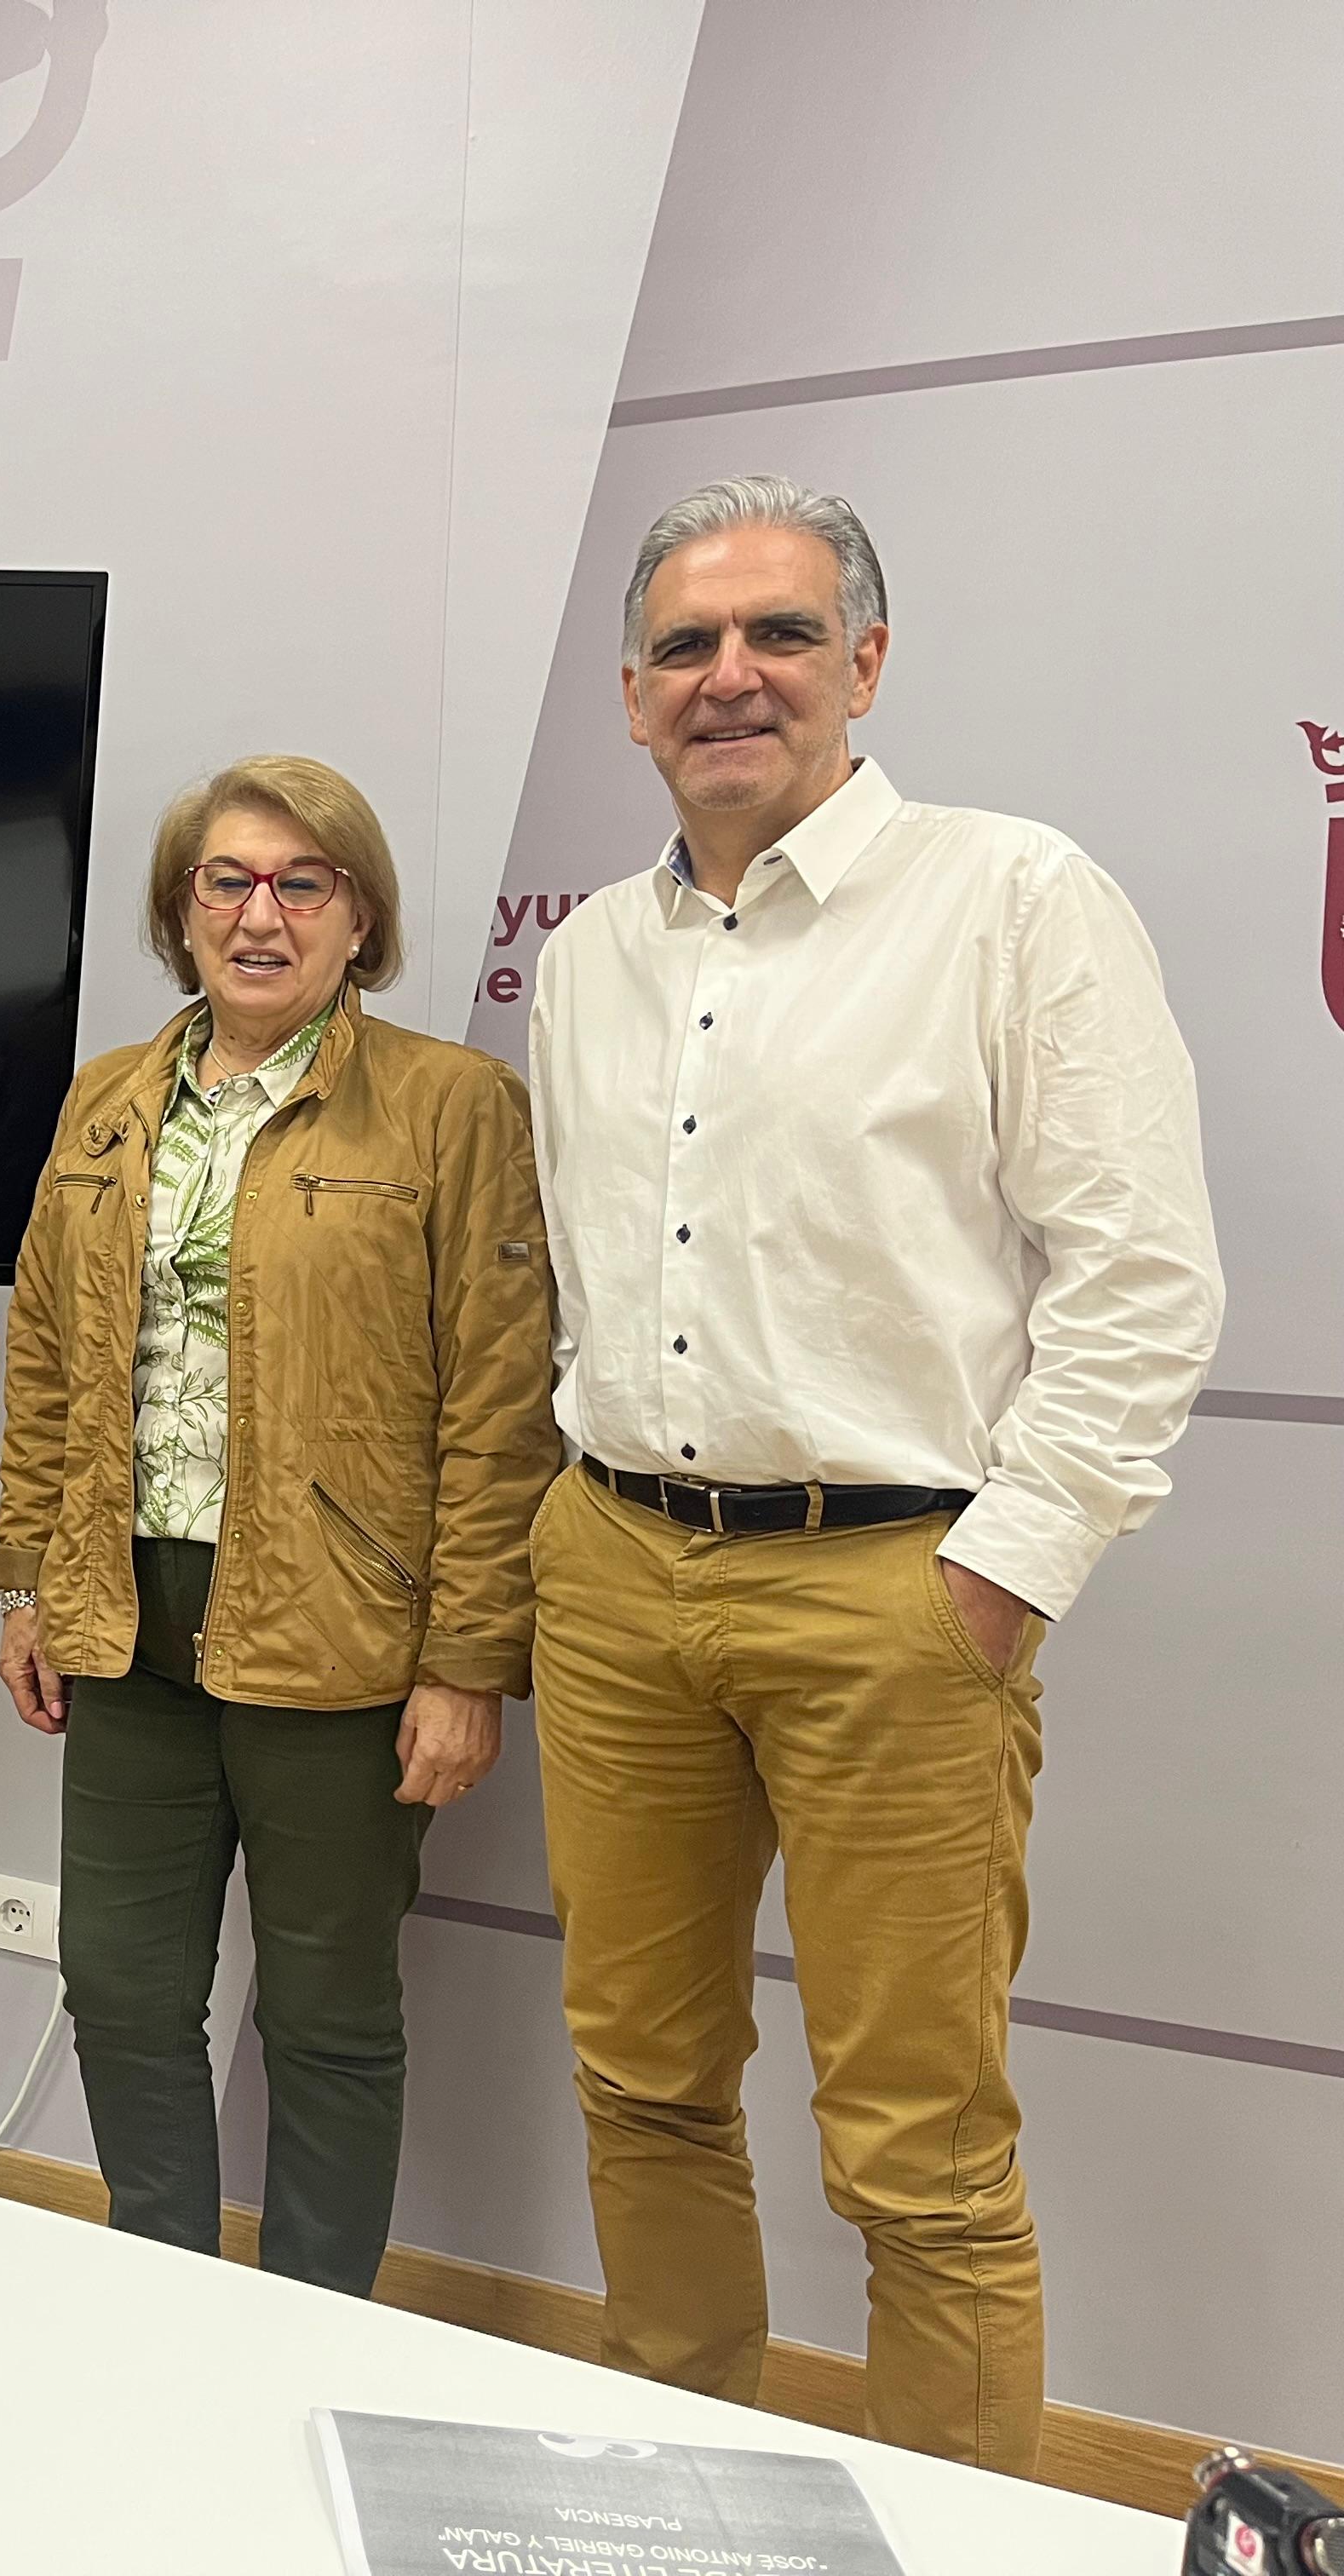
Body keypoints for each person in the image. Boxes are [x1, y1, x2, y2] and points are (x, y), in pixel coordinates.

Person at [526, 476, 1223, 2471]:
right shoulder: (587, 959)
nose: (730, 677)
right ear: (633, 700)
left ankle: (963, 2534)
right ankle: (681, 2491)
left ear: (867, 666)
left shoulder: (1015, 902)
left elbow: (1144, 1278)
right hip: (617, 1577)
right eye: (684, 647)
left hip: (897, 1595)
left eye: (780, 637)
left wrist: (1008, 1568)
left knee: (917, 2151)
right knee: (641, 2081)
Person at [0, 756, 557, 2294]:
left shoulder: (450, 1106)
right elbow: (47, 1353)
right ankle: (162, 2305)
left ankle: (311, 2335)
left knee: (324, 2014)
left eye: (302, 884)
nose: (260, 914)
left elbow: (502, 1410)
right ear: (182, 912)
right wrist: (29, 1579)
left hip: (343, 1632)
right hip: (125, 1618)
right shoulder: (110, 1097)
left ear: (356, 916)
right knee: (117, 1986)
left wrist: (468, 1663)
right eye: (226, 881)